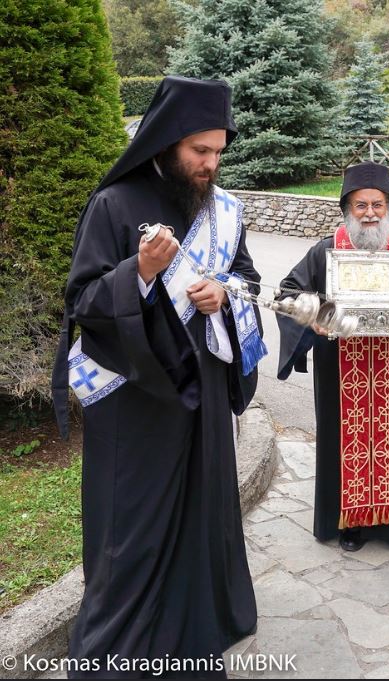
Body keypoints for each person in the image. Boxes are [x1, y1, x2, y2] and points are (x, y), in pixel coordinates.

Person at [51, 76, 264, 677]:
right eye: (200, 150)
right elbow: (83, 300)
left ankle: (201, 622)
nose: (211, 163)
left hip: (205, 394)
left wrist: (224, 293)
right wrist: (140, 272)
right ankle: (120, 643)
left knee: (204, 511)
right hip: (137, 399)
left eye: (219, 151)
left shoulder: (222, 210)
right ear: (169, 142)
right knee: (134, 524)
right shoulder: (114, 204)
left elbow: (248, 279)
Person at [276, 162, 389, 552]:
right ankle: (349, 526)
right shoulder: (325, 252)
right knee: (343, 450)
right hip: (341, 377)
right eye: (360, 205)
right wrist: (315, 316)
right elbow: (288, 294)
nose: (370, 213)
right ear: (347, 209)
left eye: (377, 205)